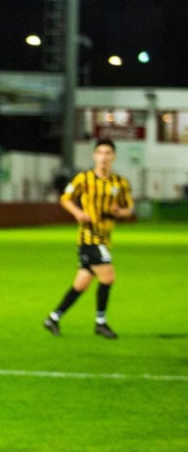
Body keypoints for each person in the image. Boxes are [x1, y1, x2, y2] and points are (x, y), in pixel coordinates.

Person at [43, 138, 133, 339]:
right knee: (108, 278)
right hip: (89, 239)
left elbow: (129, 209)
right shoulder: (83, 179)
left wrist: (120, 212)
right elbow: (65, 198)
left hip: (105, 238)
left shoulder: (120, 183)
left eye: (107, 153)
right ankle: (100, 323)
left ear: (113, 157)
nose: (103, 157)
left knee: (81, 284)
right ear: (94, 156)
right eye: (100, 152)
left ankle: (53, 318)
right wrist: (77, 213)